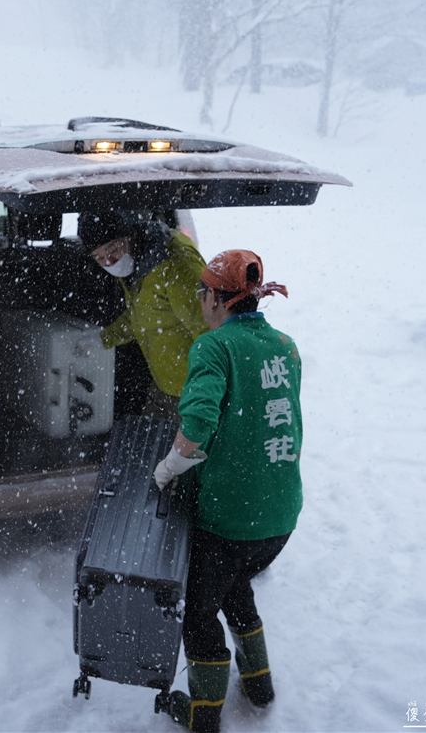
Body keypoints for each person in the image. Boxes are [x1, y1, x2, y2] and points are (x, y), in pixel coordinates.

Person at [153, 249, 301, 733]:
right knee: (236, 585)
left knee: (197, 616)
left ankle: (203, 717)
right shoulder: (284, 345)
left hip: (229, 519)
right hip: (279, 517)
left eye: (202, 292)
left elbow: (197, 422)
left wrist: (170, 468)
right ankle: (259, 687)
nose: (200, 301)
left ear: (218, 299)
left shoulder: (213, 347)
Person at [76, 210, 208, 418]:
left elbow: (209, 330)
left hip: (195, 396)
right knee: (146, 446)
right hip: (165, 389)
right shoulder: (136, 265)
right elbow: (144, 315)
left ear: (131, 236)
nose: (109, 261)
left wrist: (207, 395)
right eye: (99, 257)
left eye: (113, 249)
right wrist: (104, 339)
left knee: (183, 451)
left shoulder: (177, 265)